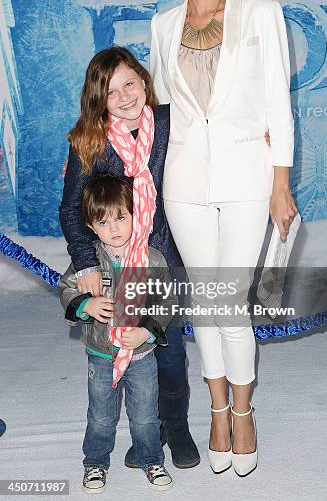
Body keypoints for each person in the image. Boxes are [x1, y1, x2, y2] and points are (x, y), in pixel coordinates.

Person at [150, 0, 297, 476]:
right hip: (183, 183)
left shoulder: (262, 13)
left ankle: (242, 411)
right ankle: (215, 411)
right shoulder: (163, 25)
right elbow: (162, 110)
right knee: (207, 309)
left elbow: (278, 107)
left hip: (247, 179)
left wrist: (280, 185)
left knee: (229, 305)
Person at [59, 47, 200, 469]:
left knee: (168, 352)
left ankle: (175, 426)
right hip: (115, 262)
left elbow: (221, 132)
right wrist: (86, 264)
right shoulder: (90, 141)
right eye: (111, 91)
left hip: (163, 259)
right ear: (98, 100)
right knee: (124, 350)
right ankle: (148, 429)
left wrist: (260, 137)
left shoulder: (173, 122)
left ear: (144, 81)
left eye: (130, 84)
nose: (123, 97)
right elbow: (70, 209)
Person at [60, 174, 176, 493]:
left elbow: (167, 299)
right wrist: (86, 305)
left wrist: (146, 332)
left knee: (145, 416)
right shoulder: (89, 263)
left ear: (135, 215)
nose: (114, 228)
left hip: (141, 357)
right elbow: (68, 288)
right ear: (91, 226)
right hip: (101, 356)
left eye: (121, 218)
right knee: (100, 416)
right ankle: (95, 464)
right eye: (104, 221)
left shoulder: (151, 258)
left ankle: (151, 459)